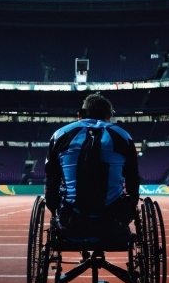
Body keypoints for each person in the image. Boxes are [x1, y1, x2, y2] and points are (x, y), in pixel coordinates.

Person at [44, 92, 140, 239]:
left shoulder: (60, 135)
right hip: (113, 222)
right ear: (108, 116)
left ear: (80, 115)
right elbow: (133, 179)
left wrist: (55, 211)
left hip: (71, 221)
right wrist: (130, 210)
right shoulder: (123, 136)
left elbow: (51, 180)